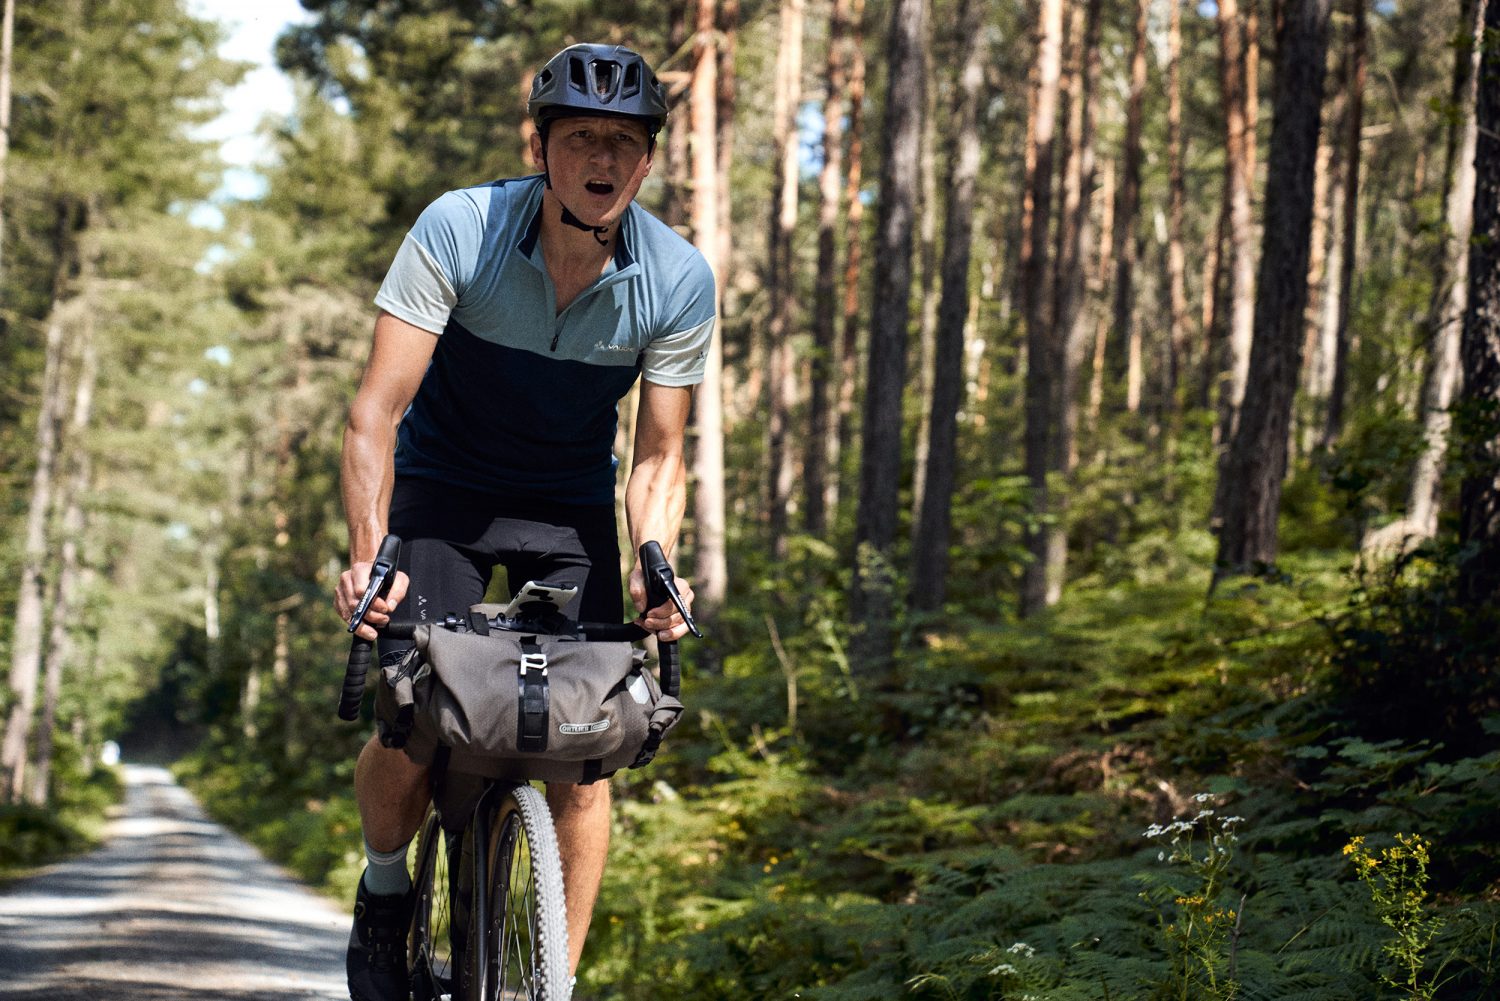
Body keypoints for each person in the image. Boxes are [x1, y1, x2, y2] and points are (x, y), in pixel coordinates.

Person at [331, 42, 715, 1001]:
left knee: (585, 753)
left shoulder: (677, 277)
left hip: (566, 501)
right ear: (538, 144)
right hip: (447, 491)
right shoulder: (461, 227)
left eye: (625, 142)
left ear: (648, 160)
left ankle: (556, 981)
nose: (603, 158)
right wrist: (368, 555)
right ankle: (385, 889)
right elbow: (375, 410)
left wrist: (655, 560)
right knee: (412, 716)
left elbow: (660, 453)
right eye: (581, 135)